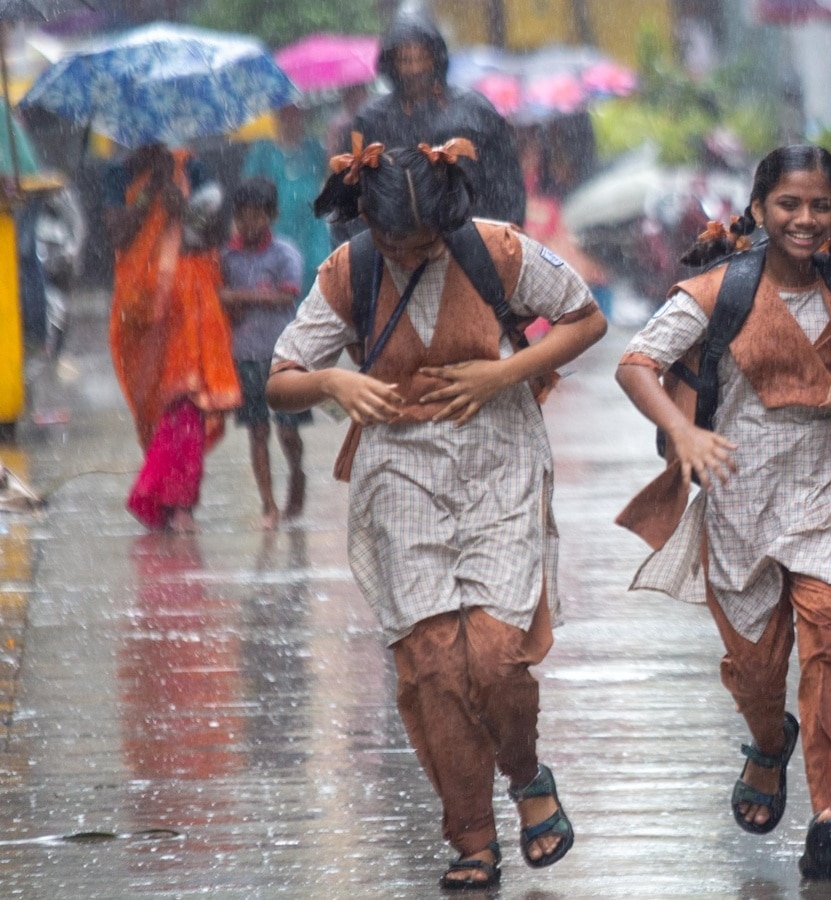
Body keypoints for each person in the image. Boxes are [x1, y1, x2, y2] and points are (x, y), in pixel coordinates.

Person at [265, 140, 606, 889]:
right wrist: (333, 384)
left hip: (500, 461)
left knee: (492, 656)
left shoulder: (497, 250)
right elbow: (279, 381)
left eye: (425, 243)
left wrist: (504, 372)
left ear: (451, 216)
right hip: (398, 473)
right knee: (431, 663)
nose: (410, 255)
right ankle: (473, 837)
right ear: (365, 222)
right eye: (395, 242)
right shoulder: (348, 272)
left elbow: (586, 319)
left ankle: (525, 773)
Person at [615, 145, 831, 881]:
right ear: (757, 211)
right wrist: (684, 433)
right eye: (788, 204)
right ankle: (766, 737)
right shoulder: (718, 294)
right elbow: (636, 364)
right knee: (755, 668)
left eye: (819, 205)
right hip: (740, 497)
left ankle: (829, 813)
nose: (805, 220)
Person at [105, 143, 239, 533]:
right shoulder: (118, 175)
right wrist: (152, 191)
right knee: (154, 406)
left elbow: (215, 229)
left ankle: (176, 500)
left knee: (187, 400)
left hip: (191, 295)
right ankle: (167, 495)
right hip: (141, 305)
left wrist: (182, 205)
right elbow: (118, 235)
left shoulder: (192, 166)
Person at [342, 14, 524, 227]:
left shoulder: (474, 112)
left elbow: (507, 185)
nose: (415, 69)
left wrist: (500, 239)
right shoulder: (372, 120)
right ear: (392, 64)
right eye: (405, 60)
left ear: (436, 58)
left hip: (471, 239)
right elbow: (351, 193)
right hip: (395, 247)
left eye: (422, 58)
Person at [220, 178, 307, 531]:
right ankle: (268, 505)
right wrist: (234, 305)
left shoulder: (285, 254)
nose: (248, 224)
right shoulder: (227, 257)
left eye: (256, 216)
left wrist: (239, 298)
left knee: (288, 431)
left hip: (284, 355)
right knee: (257, 431)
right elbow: (222, 302)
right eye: (242, 217)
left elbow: (287, 297)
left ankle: (296, 474)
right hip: (246, 357)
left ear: (271, 216)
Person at [242, 104, 331, 294]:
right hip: (278, 226)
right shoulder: (264, 151)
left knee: (318, 276)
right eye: (285, 115)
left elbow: (332, 174)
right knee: (281, 277)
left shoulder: (313, 148)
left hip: (311, 229)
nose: (291, 121)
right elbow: (248, 189)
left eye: (295, 115)